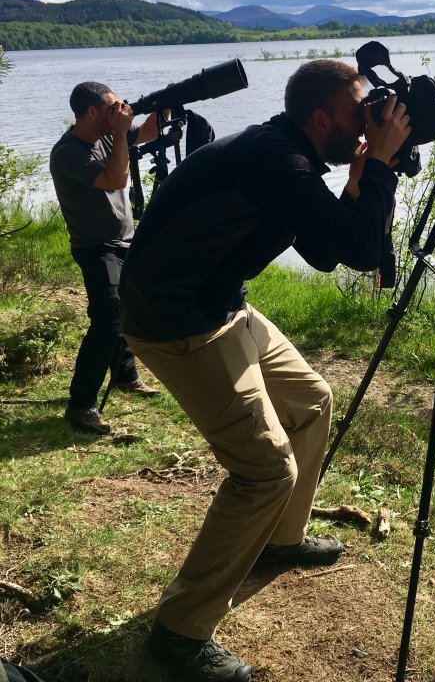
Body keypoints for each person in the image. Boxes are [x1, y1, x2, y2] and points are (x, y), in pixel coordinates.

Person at [119, 59, 411, 682]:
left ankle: (280, 538)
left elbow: (324, 251)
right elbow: (360, 252)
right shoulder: (279, 160)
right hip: (178, 320)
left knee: (311, 401)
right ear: (318, 118)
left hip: (218, 302)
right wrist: (381, 165)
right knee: (262, 470)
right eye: (359, 114)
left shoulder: (288, 154)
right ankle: (179, 630)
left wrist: (362, 176)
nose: (369, 122)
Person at [50, 82, 161, 437]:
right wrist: (121, 129)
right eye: (112, 107)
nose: (119, 112)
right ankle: (81, 404)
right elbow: (116, 178)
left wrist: (166, 104)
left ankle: (126, 375)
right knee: (108, 317)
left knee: (126, 307)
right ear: (92, 111)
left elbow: (147, 132)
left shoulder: (108, 137)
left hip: (125, 241)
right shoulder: (68, 152)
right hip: (95, 246)